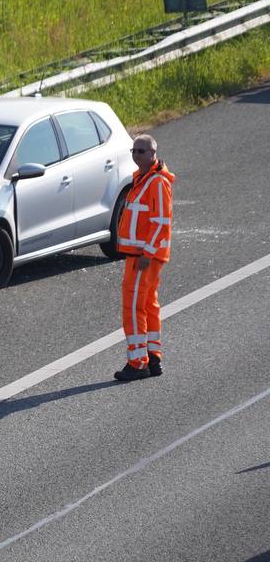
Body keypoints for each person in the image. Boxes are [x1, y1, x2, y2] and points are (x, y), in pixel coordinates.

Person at [113, 134, 175, 382]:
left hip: (144, 256)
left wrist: (147, 253)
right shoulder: (143, 179)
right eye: (134, 151)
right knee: (148, 304)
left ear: (153, 154)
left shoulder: (157, 183)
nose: (136, 155)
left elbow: (161, 222)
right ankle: (153, 356)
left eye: (141, 151)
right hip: (140, 255)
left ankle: (138, 363)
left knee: (133, 306)